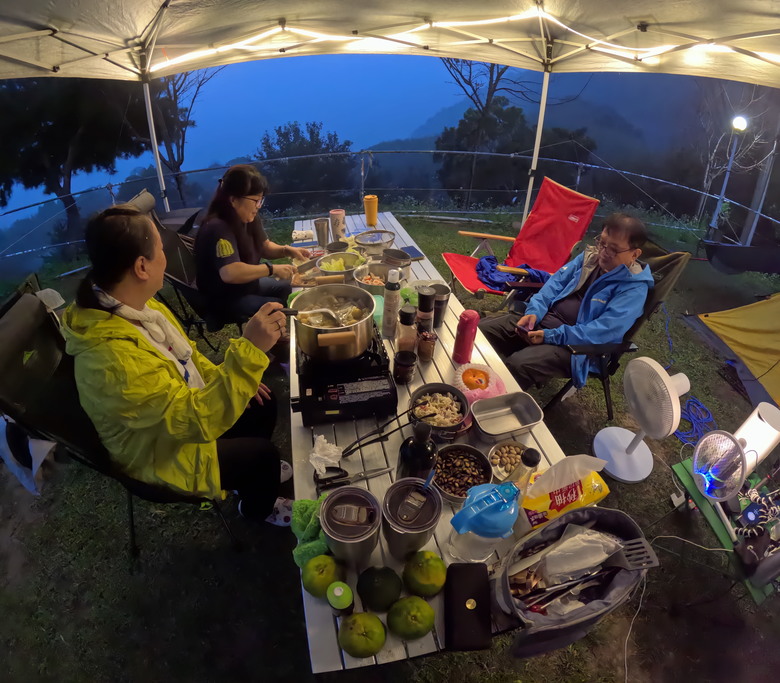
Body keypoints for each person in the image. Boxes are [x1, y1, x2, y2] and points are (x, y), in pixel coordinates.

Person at [62, 204, 293, 525]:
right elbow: (194, 422)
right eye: (160, 249)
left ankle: (247, 480)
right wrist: (250, 351)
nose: (166, 257)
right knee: (264, 457)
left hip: (181, 415)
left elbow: (190, 359)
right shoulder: (112, 361)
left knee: (262, 403)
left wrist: (237, 376)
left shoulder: (136, 307)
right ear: (142, 266)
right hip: (161, 452)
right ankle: (258, 508)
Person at [478, 213, 654, 390]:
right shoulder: (589, 259)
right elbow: (552, 286)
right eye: (601, 242)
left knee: (518, 365)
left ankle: (487, 406)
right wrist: (533, 312)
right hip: (540, 324)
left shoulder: (634, 289)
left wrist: (550, 336)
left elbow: (600, 333)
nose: (603, 252)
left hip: (575, 348)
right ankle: (465, 379)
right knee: (481, 330)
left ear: (634, 254)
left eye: (613, 249)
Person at [195, 164, 311, 320]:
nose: (258, 206)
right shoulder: (218, 227)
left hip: (246, 286)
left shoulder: (247, 217)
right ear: (234, 200)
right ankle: (274, 341)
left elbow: (264, 246)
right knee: (278, 305)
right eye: (255, 200)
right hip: (226, 298)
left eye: (261, 200)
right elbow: (230, 272)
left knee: (291, 289)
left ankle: (279, 334)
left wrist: (286, 250)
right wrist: (271, 269)